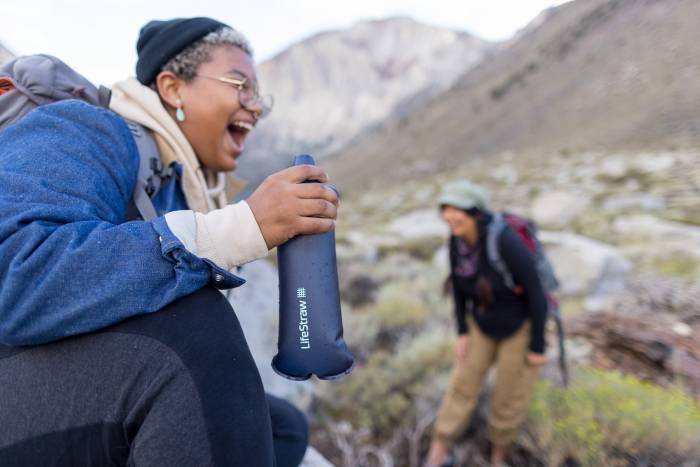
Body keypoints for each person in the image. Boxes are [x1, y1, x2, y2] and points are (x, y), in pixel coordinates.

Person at [0, 17, 338, 466]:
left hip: (43, 388)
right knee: (197, 328)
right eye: (240, 85)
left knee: (283, 428)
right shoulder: (86, 128)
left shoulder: (173, 185)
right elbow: (18, 278)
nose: (255, 107)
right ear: (173, 88)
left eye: (260, 96)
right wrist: (237, 229)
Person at [425, 181, 547, 467]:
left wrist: (537, 345)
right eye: (446, 209)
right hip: (482, 323)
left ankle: (498, 457)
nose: (450, 216)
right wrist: (463, 332)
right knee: (462, 386)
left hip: (519, 326)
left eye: (457, 210)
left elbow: (536, 292)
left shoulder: (504, 240)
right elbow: (457, 287)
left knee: (509, 394)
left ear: (475, 212)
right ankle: (437, 453)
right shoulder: (457, 240)